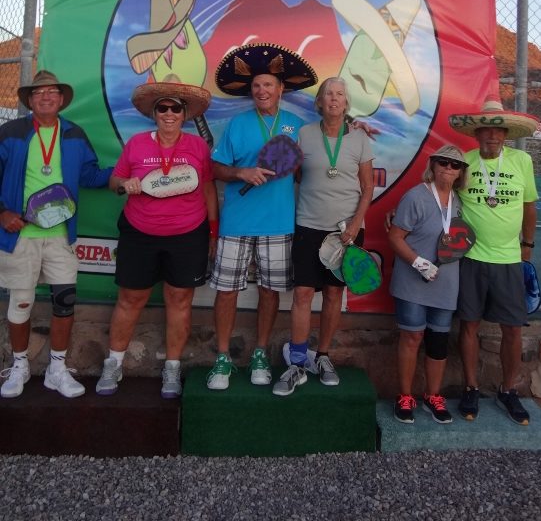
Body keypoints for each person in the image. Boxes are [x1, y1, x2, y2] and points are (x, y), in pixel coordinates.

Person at [96, 76, 217, 399]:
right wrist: (124, 185)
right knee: (130, 299)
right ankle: (114, 363)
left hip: (188, 235)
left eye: (175, 108)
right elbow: (114, 180)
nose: (169, 114)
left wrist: (213, 232)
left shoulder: (198, 147)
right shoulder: (137, 144)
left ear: (184, 114)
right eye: (162, 108)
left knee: (179, 301)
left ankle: (172, 368)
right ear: (154, 113)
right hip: (140, 233)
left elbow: (208, 189)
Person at [207, 43, 317, 390]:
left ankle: (259, 353)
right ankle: (222, 357)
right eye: (256, 85)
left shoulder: (298, 127)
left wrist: (352, 125)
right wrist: (241, 173)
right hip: (236, 223)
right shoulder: (237, 124)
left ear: (281, 89)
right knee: (227, 292)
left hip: (279, 223)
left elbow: (315, 160)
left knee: (270, 292)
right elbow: (215, 168)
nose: (261, 90)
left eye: (268, 84)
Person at [0, 70, 112, 399]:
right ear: (30, 100)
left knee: (64, 302)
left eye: (52, 92)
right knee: (21, 303)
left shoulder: (75, 134)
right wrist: (2, 213)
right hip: (20, 235)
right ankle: (19, 366)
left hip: (62, 235)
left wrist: (119, 176)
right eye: (39, 93)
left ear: (61, 99)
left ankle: (57, 370)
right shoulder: (11, 132)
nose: (46, 97)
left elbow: (89, 174)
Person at [273, 77, 374, 396]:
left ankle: (324, 356)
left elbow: (368, 187)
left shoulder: (359, 138)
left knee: (333, 294)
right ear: (319, 101)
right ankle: (297, 362)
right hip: (308, 225)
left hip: (346, 230)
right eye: (328, 93)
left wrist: (356, 225)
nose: (334, 98)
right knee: (303, 293)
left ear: (346, 103)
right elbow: (294, 175)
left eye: (340, 94)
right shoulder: (304, 134)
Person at [448, 97, 539, 425]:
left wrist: (527, 244)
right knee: (469, 325)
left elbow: (529, 205)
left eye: (498, 130)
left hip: (509, 259)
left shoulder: (522, 161)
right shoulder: (464, 162)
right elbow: (440, 194)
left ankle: (508, 389)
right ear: (477, 133)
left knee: (512, 329)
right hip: (471, 257)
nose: (492, 135)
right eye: (486, 129)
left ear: (506, 134)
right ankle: (471, 387)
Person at [387, 144, 469, 424]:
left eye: (455, 164)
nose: (448, 168)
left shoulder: (461, 202)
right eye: (443, 162)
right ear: (432, 165)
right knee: (412, 338)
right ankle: (404, 396)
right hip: (412, 282)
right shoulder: (416, 196)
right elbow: (395, 236)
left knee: (438, 342)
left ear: (461, 173)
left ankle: (433, 396)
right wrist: (418, 262)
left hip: (446, 284)